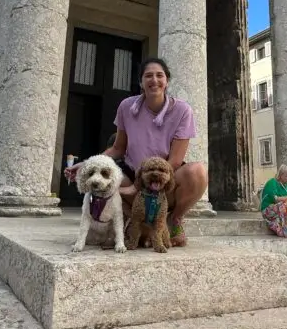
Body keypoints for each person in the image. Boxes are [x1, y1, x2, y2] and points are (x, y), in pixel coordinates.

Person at [64, 57, 207, 247]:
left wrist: (141, 187)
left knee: (198, 172)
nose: (154, 80)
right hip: (133, 175)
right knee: (110, 180)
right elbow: (118, 148)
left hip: (163, 179)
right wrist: (87, 163)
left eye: (159, 75)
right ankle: (137, 223)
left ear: (167, 81)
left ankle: (174, 220)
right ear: (141, 82)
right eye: (148, 76)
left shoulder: (182, 110)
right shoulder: (126, 107)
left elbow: (174, 161)